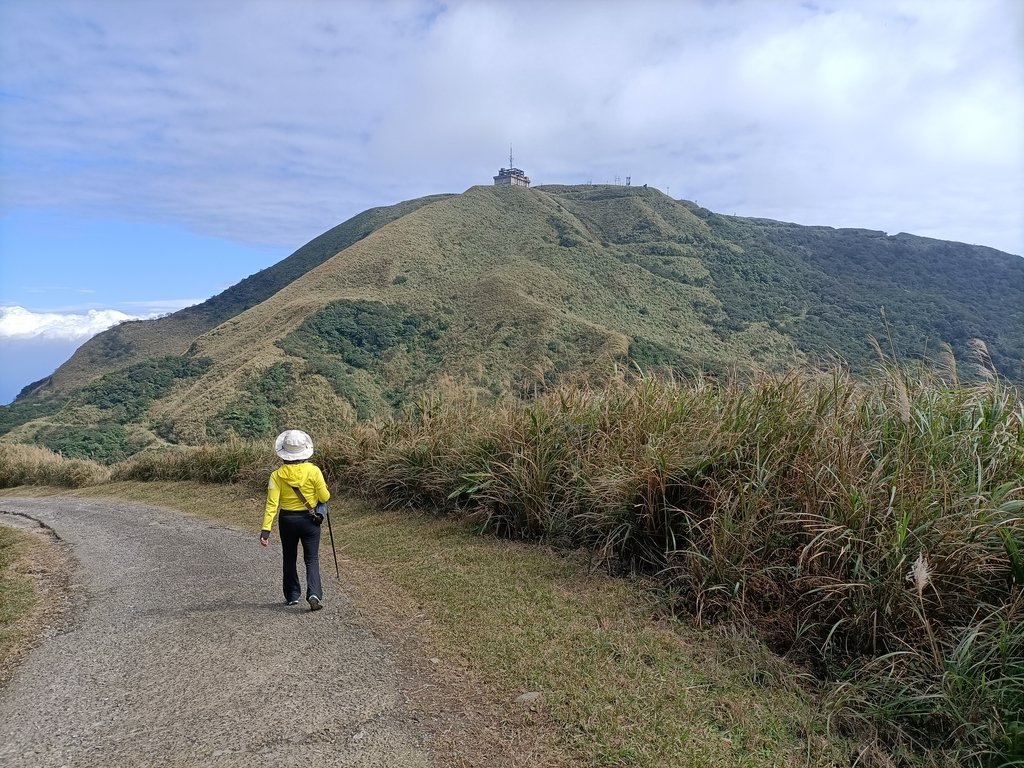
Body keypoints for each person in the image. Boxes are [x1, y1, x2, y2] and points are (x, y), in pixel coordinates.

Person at [260, 429, 330, 611]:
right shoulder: (313, 471)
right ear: (305, 450)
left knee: (289, 557)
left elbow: (271, 505)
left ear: (284, 452)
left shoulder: (276, 475)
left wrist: (265, 530)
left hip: (287, 520)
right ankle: (314, 593)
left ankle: (292, 595)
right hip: (310, 520)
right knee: (312, 558)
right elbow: (325, 496)